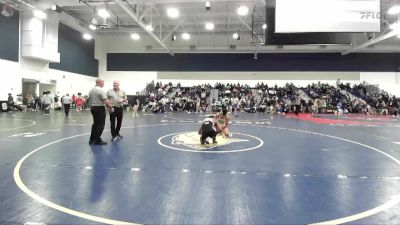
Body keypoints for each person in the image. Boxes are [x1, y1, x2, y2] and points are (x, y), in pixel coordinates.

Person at [88, 78, 114, 145]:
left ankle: (92, 139)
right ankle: (98, 140)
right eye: (103, 83)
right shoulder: (100, 90)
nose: (103, 84)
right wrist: (111, 107)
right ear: (99, 82)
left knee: (95, 124)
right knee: (101, 124)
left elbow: (89, 100)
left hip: (93, 108)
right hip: (99, 108)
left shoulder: (91, 90)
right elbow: (106, 101)